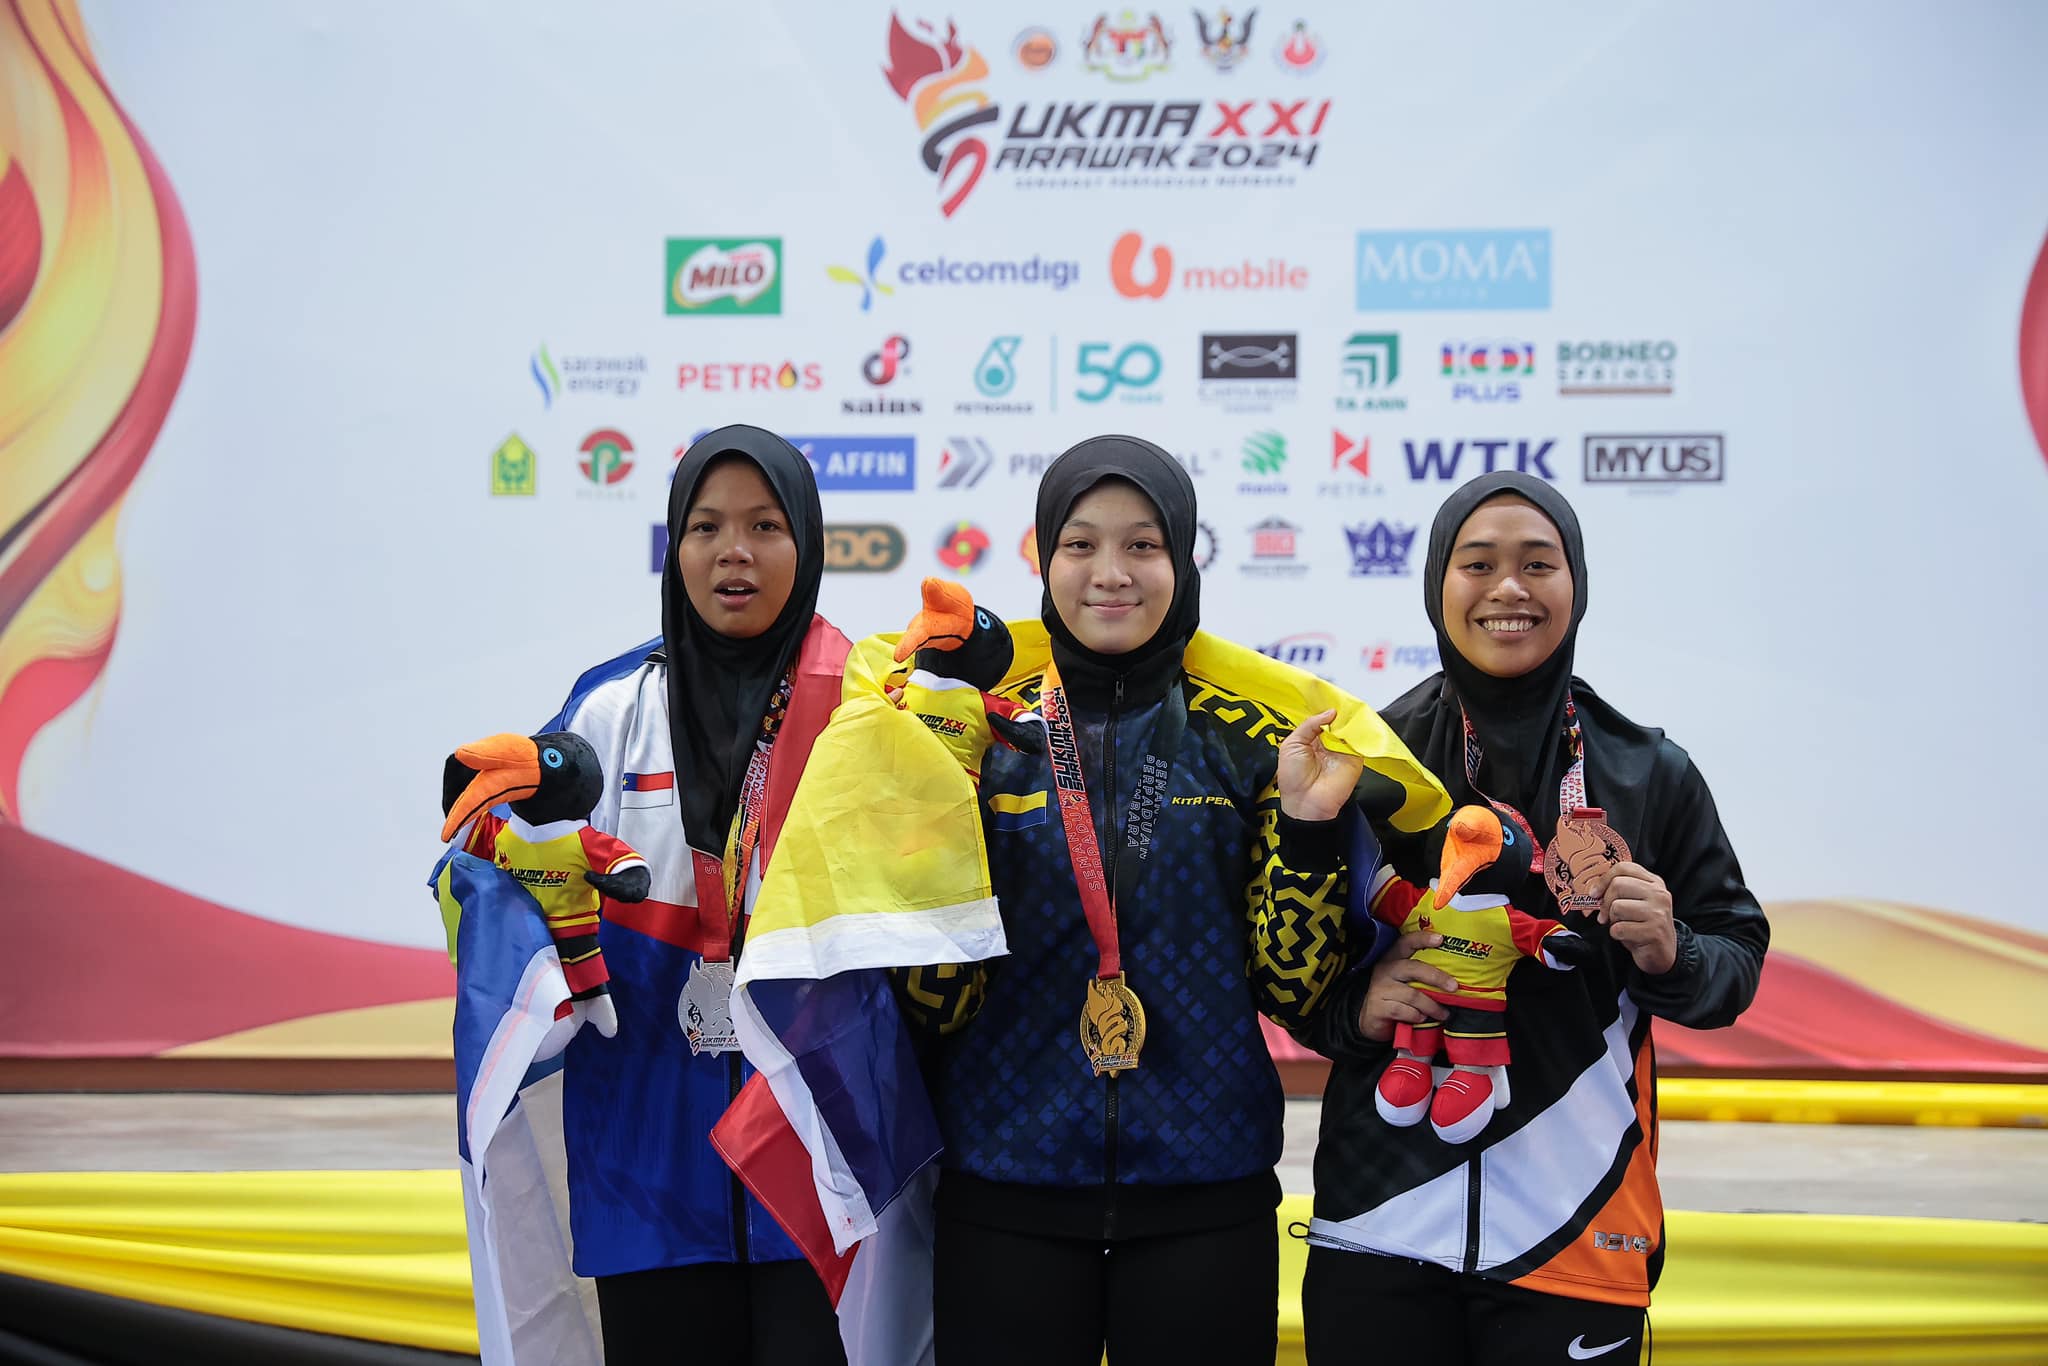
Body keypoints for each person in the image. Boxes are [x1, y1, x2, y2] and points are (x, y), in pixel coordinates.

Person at [897, 435, 1444, 1366]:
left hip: (1207, 1193)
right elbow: (933, 1002)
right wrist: (937, 810)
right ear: (1045, 559)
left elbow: (1291, 987)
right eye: (1080, 545)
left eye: (1143, 545)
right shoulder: (976, 734)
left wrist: (1308, 830)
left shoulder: (1251, 739)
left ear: (1183, 561)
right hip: (1004, 1186)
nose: (1111, 573)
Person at [1299, 471, 1770, 1366]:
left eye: (1538, 565)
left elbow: (1734, 958)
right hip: (1380, 1216)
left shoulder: (1648, 770)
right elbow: (1296, 967)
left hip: (1577, 1218)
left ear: (1576, 584)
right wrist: (1355, 1009)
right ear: (1437, 584)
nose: (1508, 589)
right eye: (1478, 564)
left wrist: (1670, 952)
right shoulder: (1373, 762)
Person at [446, 425, 853, 1365]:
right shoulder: (609, 711)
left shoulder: (859, 709)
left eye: (764, 526)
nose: (734, 552)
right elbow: (492, 876)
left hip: (820, 1158)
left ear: (807, 541)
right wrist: (514, 869)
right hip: (644, 1162)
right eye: (706, 528)